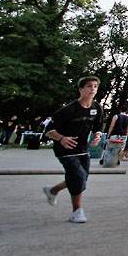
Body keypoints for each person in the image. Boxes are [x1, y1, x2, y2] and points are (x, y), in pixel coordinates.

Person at [42, 76, 104, 223]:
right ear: (81, 89)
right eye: (89, 86)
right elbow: (48, 130)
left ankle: (53, 191)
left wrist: (97, 136)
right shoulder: (68, 110)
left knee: (81, 178)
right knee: (78, 178)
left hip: (83, 149)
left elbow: (98, 127)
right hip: (65, 150)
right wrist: (61, 138)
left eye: (95, 86)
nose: (93, 89)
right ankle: (77, 212)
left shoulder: (97, 108)